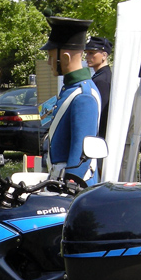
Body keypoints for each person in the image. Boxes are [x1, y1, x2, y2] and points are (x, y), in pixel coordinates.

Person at [42, 16, 101, 185]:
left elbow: (80, 157)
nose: (48, 62)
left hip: (71, 186)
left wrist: (69, 187)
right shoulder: (70, 89)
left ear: (65, 58)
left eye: (51, 56)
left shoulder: (83, 96)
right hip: (58, 180)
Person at [84, 36, 113, 138]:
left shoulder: (102, 80)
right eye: (87, 53)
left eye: (91, 53)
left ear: (104, 55)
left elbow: (102, 113)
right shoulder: (99, 76)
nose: (87, 57)